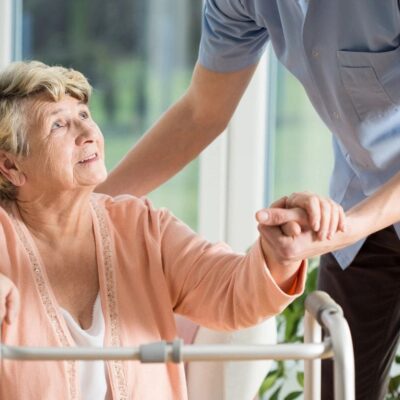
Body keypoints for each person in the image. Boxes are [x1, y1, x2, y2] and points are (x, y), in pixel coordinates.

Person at [97, 1, 400, 399]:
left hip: (358, 220)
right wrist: (84, 210)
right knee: (336, 385)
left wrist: (342, 230)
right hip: (362, 200)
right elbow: (202, 112)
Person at [0, 61, 346, 399]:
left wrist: (278, 253)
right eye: (59, 125)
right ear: (11, 166)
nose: (88, 134)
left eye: (84, 116)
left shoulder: (141, 226)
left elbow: (231, 291)